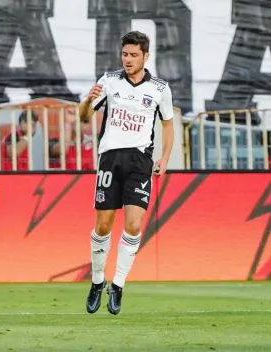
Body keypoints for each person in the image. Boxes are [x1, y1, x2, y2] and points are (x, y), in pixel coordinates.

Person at [79, 31, 174, 315]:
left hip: (140, 161)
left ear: (146, 56)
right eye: (125, 54)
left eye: (134, 55)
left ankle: (118, 284)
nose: (128, 59)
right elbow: (84, 116)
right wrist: (87, 100)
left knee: (133, 225)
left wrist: (164, 158)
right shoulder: (108, 81)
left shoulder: (159, 88)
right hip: (109, 158)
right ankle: (97, 281)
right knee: (104, 225)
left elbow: (168, 124)